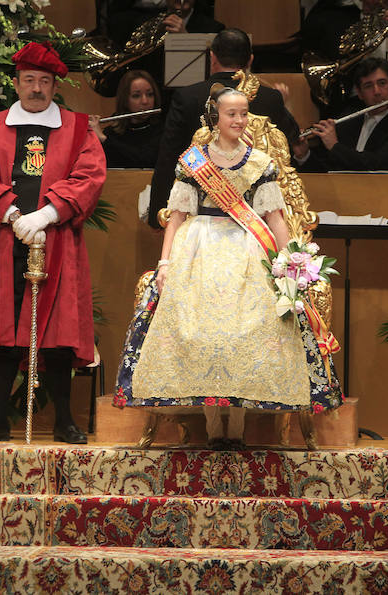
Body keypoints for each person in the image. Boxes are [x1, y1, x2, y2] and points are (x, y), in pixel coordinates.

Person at [114, 85, 343, 449]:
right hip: (198, 248)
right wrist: (165, 261)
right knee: (201, 330)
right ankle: (211, 422)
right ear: (215, 118)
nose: (239, 120)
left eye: (243, 113)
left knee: (248, 329)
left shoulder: (260, 163)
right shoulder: (193, 161)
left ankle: (235, 423)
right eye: (231, 114)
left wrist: (291, 260)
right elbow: (175, 218)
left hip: (248, 250)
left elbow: (275, 218)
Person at [0, 42, 107, 444]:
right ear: (16, 83)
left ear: (55, 85)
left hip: (57, 238)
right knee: (3, 334)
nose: (37, 89)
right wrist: (11, 215)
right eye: (29, 80)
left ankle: (64, 421)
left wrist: (46, 214)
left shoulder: (77, 128)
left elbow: (90, 175)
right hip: (3, 239)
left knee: (59, 335)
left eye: (44, 81)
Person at [148, 28, 300, 228]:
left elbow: (169, 157)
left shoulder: (187, 97)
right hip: (257, 214)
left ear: (212, 57)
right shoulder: (270, 98)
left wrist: (157, 214)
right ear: (250, 60)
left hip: (202, 213)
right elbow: (290, 148)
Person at [292, 57, 388, 172]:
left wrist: (335, 146)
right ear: (359, 93)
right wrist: (304, 155)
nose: (377, 91)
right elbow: (328, 173)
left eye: (382, 83)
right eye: (368, 86)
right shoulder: (348, 119)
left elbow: (379, 165)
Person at [90, 70, 164, 168]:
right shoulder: (111, 134)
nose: (145, 101)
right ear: (125, 100)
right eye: (136, 96)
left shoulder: (163, 131)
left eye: (150, 94)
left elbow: (144, 160)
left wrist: (104, 139)